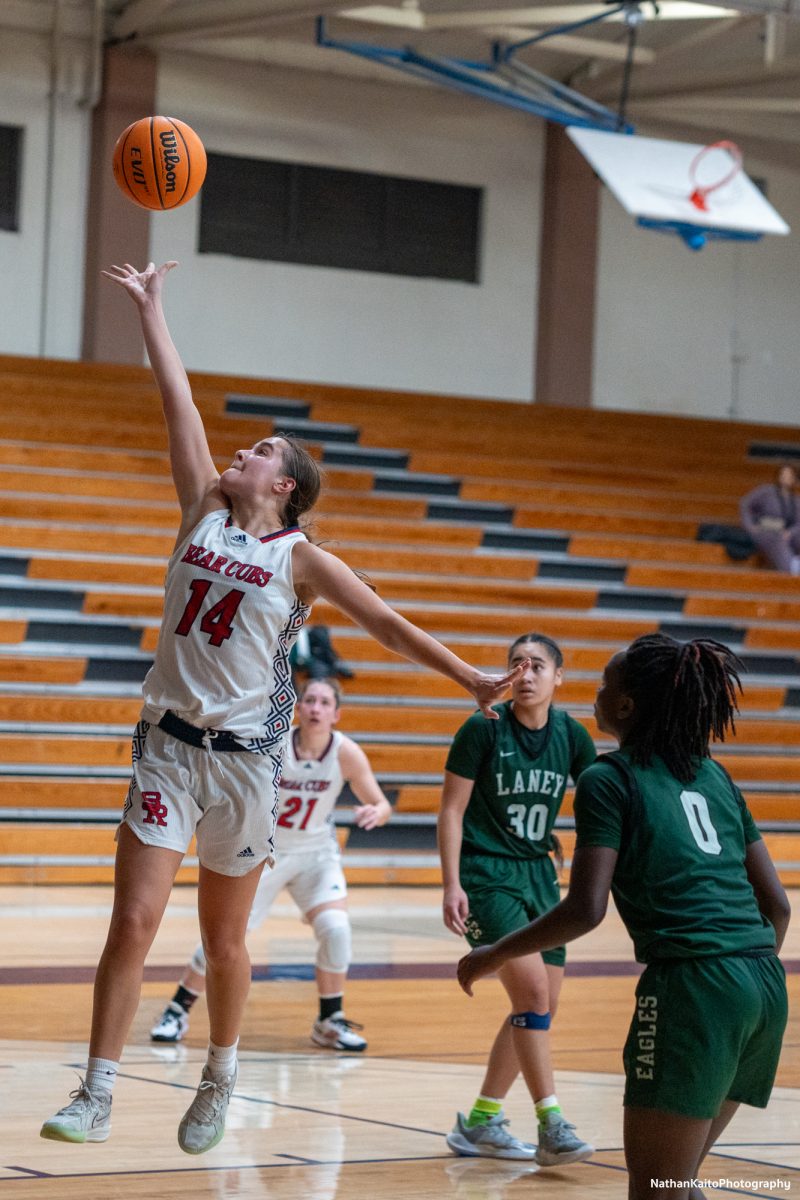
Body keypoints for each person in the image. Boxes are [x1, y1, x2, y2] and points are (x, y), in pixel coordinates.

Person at [39, 260, 527, 1154]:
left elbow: (384, 623)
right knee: (133, 923)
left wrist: (467, 676)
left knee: (225, 942)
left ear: (286, 487)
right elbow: (175, 400)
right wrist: (153, 310)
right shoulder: (201, 513)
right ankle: (97, 1090)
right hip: (165, 752)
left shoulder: (301, 558)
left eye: (259, 451)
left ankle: (220, 1076)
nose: (240, 452)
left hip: (243, 768)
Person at [457, 634, 790, 1200]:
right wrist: (741, 976)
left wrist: (494, 952)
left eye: (607, 685)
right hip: (765, 986)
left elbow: (586, 908)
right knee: (678, 1184)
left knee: (657, 1189)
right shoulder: (716, 777)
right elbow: (778, 906)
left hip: (694, 986)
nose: (597, 693)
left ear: (628, 705)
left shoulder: (608, 780)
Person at [150, 675, 389, 1052]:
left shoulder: (346, 753)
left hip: (315, 855)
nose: (315, 708)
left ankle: (329, 1020)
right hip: (267, 850)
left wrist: (376, 810)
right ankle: (177, 1009)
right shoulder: (275, 743)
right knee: (227, 937)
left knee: (336, 929)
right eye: (310, 700)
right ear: (299, 707)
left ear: (336, 715)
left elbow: (382, 802)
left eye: (325, 703)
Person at [438, 632, 596, 1167]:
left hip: (539, 875)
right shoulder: (483, 728)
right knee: (531, 994)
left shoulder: (572, 736)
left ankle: (482, 1120)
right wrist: (451, 882)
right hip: (486, 875)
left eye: (537, 666)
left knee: (540, 1004)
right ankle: (552, 1123)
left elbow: (600, 801)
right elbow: (451, 811)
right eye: (516, 664)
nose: (524, 674)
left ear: (558, 678)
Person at [739, 462, 800, 574]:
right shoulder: (766, 491)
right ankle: (791, 567)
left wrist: (790, 532)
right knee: (777, 538)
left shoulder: (796, 500)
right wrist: (749, 525)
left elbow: (798, 523)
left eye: (790, 476)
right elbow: (745, 503)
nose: (786, 478)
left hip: (785, 532)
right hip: (765, 530)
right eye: (784, 474)